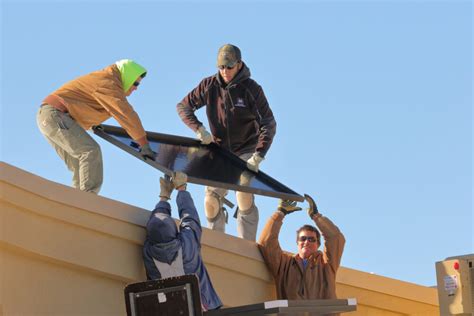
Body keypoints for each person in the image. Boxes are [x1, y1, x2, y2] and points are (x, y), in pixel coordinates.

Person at [176, 44, 277, 241]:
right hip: (220, 151)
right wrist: (199, 129)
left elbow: (269, 123)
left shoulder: (252, 89)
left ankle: (246, 244)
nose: (225, 72)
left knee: (243, 191)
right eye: (221, 67)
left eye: (229, 67)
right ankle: (216, 242)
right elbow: (183, 106)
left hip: (247, 149)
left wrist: (259, 155)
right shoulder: (209, 85)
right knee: (210, 200)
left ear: (239, 64)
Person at [36, 59, 155, 194]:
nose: (136, 87)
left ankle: (76, 203)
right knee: (90, 150)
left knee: (79, 163)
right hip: (56, 116)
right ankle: (88, 200)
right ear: (127, 76)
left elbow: (87, 104)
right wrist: (143, 144)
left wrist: (94, 125)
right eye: (135, 83)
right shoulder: (108, 82)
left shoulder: (109, 82)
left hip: (51, 118)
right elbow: (125, 114)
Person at [143, 171, 223, 311]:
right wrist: (181, 189)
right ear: (175, 232)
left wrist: (163, 198)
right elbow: (190, 217)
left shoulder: (149, 255)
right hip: (204, 310)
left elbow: (156, 225)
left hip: (171, 312)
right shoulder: (186, 247)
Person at [258, 195, 345, 310]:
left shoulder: (326, 264)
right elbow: (266, 242)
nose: (306, 242)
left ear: (318, 244)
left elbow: (336, 238)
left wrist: (316, 216)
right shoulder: (284, 265)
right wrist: (280, 212)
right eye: (303, 239)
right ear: (297, 243)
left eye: (311, 239)